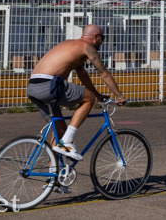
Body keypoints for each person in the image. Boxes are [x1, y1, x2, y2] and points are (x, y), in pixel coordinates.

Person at [27, 24, 126, 161]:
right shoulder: (87, 47)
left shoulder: (70, 44)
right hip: (48, 85)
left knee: (59, 129)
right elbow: (104, 73)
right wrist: (119, 96)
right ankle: (67, 142)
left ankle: (52, 178)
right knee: (88, 98)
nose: (102, 42)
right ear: (96, 37)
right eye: (102, 38)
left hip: (33, 88)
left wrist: (98, 95)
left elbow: (82, 74)